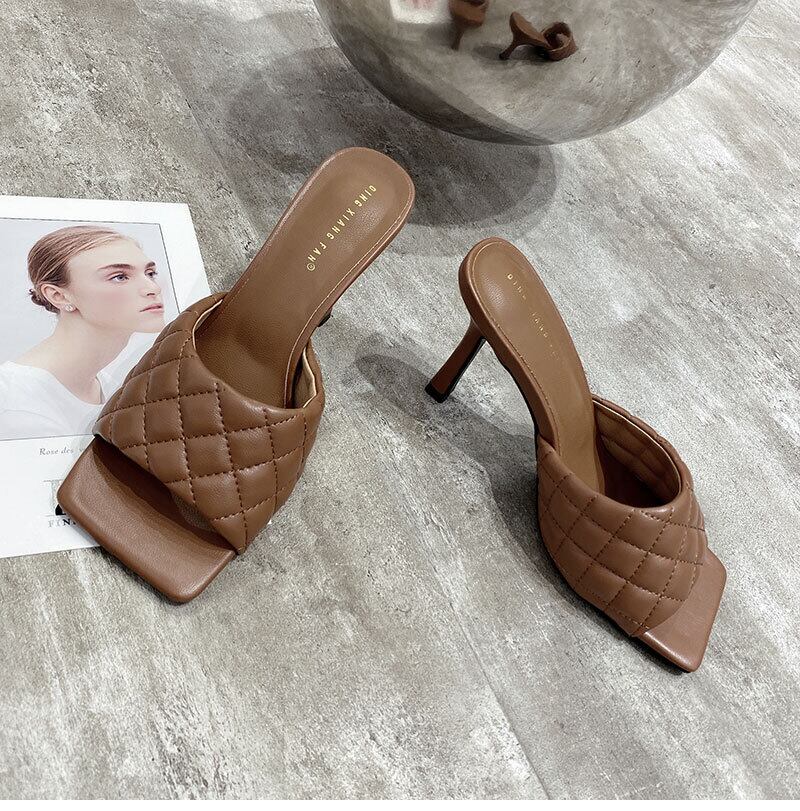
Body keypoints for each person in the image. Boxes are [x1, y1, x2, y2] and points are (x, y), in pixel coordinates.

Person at [0, 225, 166, 440]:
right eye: (119, 277)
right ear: (58, 296)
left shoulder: (109, 387)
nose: (153, 288)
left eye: (150, 273)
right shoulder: (18, 405)